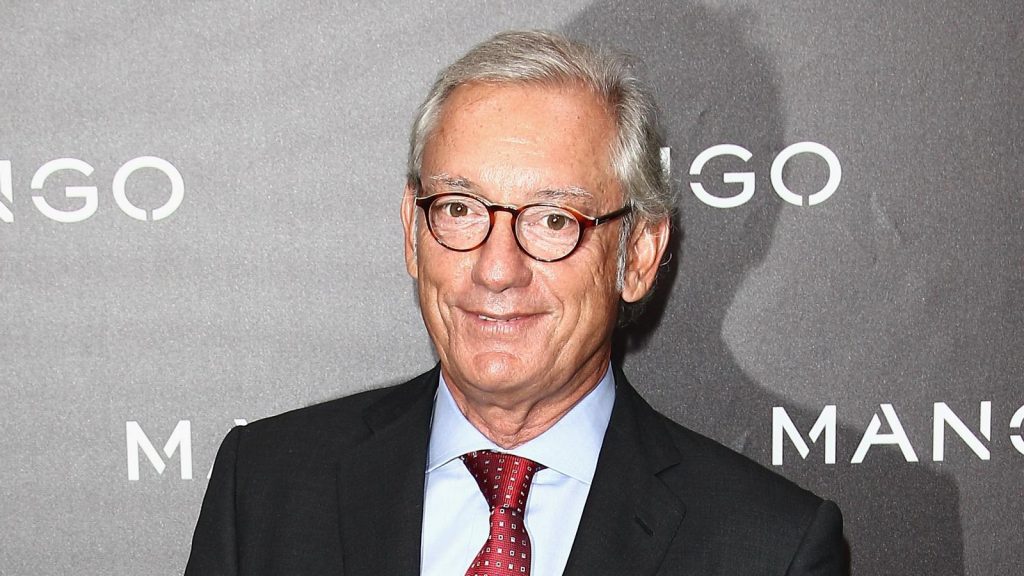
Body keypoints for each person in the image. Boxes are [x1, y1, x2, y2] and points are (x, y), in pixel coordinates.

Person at [185, 30, 844, 575]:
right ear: (412, 232)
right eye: (460, 209)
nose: (497, 270)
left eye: (554, 220)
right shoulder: (264, 489)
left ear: (638, 255)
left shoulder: (768, 547)